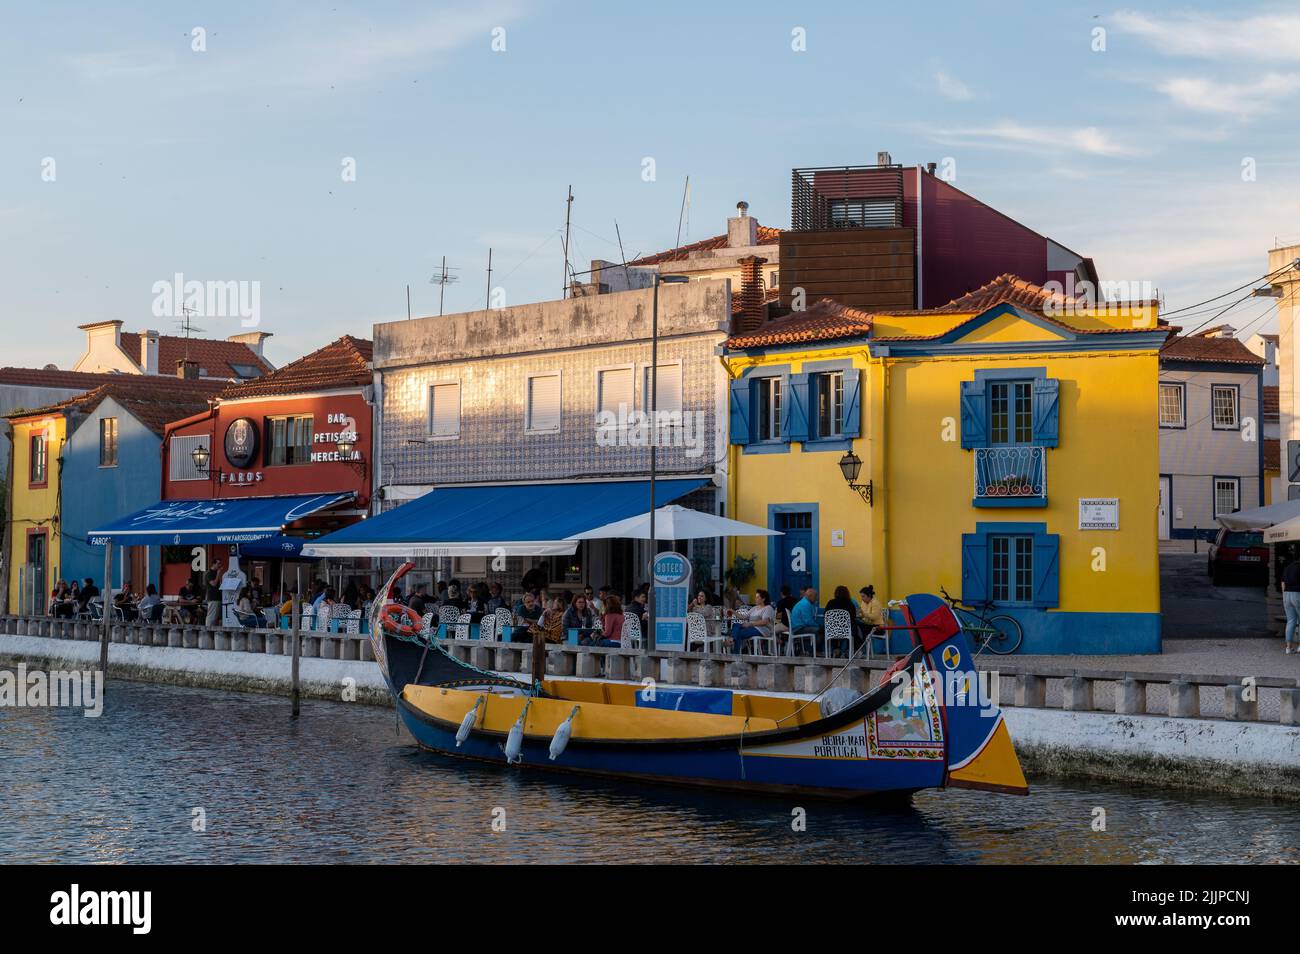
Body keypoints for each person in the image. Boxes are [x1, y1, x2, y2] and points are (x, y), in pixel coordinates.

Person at [730, 589, 775, 654]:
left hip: (762, 630)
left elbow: (765, 622)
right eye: (755, 597)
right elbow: (743, 617)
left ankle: (734, 653)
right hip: (752, 628)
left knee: (739, 633)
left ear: (763, 599)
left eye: (757, 597)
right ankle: (732, 640)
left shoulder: (768, 608)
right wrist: (733, 611)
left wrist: (750, 624)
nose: (755, 599)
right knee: (736, 624)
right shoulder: (754, 608)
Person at [824, 585, 859, 654]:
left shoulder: (830, 603)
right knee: (855, 628)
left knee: (833, 627)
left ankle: (836, 649)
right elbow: (853, 617)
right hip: (846, 630)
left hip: (832, 631)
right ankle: (849, 650)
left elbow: (826, 616)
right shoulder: (850, 604)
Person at [789, 586, 819, 653]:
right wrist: (818, 625)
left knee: (819, 630)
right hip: (798, 628)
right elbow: (808, 621)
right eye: (815, 596)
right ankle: (812, 652)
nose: (816, 598)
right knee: (819, 631)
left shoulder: (804, 602)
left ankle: (812, 651)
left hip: (798, 627)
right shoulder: (805, 604)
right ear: (810, 596)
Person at [1282, 556, 1300, 654]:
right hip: (1298, 594)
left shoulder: (1287, 568)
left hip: (1286, 595)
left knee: (1291, 621)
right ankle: (1299, 647)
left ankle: (1288, 648)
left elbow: (1283, 583)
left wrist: (1284, 596)